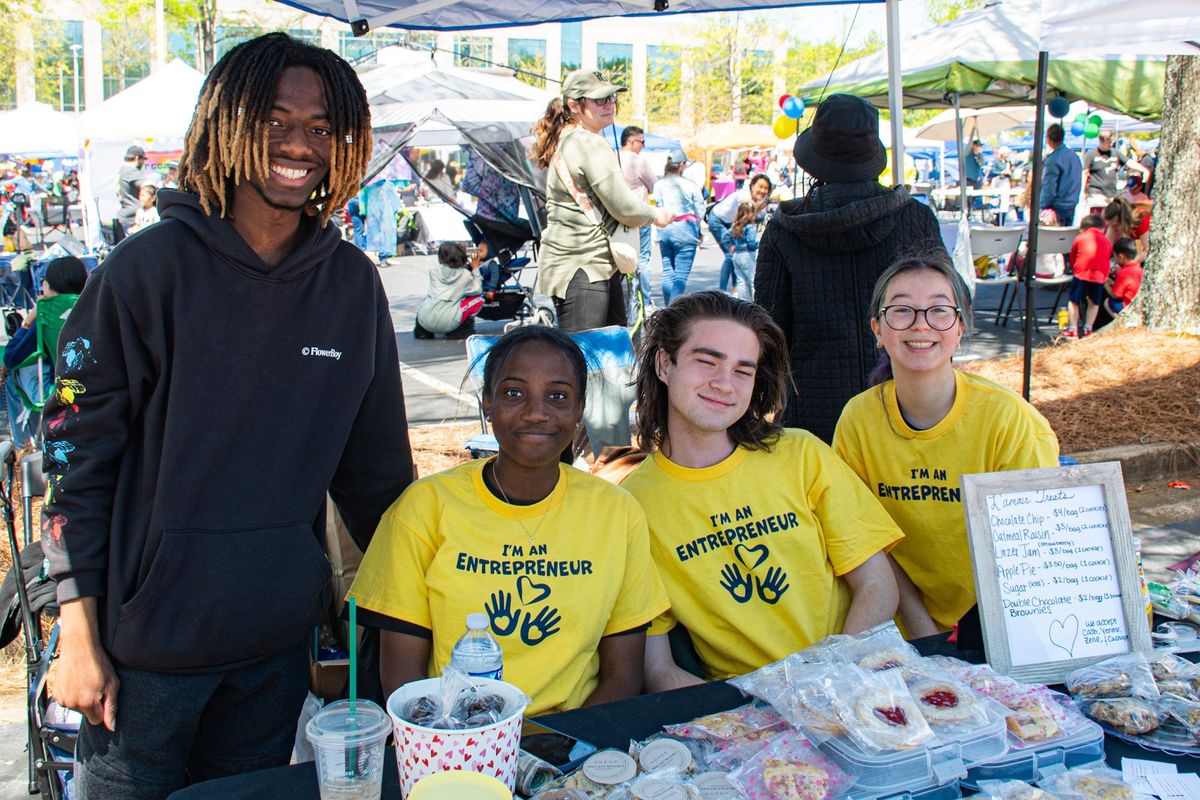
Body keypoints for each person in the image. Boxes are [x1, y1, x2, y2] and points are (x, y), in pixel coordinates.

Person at [43, 33, 415, 800]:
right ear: (225, 124)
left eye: (321, 127)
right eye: (275, 120)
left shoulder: (350, 285)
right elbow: (73, 468)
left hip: (275, 648)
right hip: (140, 658)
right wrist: (75, 632)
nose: (299, 145)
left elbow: (380, 482)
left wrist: (421, 609)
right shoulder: (142, 274)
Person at [349, 326, 668, 715]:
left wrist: (559, 752)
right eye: (513, 393)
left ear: (580, 408)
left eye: (558, 396)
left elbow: (623, 677)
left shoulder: (617, 513)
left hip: (574, 745)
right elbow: (403, 682)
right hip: (453, 739)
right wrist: (474, 747)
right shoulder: (424, 507)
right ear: (487, 402)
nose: (536, 412)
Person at [622, 291, 903, 690]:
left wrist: (835, 674)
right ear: (665, 364)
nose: (724, 383)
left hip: (852, 679)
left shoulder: (801, 454)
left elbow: (878, 585)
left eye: (743, 370)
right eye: (707, 361)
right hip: (747, 714)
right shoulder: (633, 505)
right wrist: (748, 719)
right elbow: (658, 669)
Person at [834, 255, 1059, 642]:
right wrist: (924, 632)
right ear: (877, 329)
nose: (921, 323)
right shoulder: (859, 419)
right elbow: (869, 544)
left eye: (939, 310)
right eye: (901, 310)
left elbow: (1034, 553)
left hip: (1005, 623)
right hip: (900, 624)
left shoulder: (1008, 419)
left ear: (959, 328)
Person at [754, 93, 946, 444]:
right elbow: (942, 314)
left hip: (816, 402)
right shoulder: (915, 219)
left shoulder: (784, 229)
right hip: (905, 395)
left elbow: (769, 325)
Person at [529, 71, 672, 331]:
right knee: (588, 358)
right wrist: (656, 215)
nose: (608, 104)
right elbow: (624, 208)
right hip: (584, 265)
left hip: (580, 265)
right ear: (574, 105)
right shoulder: (586, 142)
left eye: (611, 97)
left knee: (604, 357)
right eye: (598, 99)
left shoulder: (569, 139)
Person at [3, 256, 88, 448]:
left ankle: (23, 445)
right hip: (100, 385)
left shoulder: (46, 312)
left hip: (59, 389)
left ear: (48, 287)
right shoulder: (94, 304)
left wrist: (27, 322)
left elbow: (11, 357)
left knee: (11, 376)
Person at [706, 173, 771, 298]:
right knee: (730, 255)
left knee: (735, 260)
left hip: (733, 224)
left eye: (766, 188)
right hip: (718, 220)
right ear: (752, 186)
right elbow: (748, 209)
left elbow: (756, 214)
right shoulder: (744, 195)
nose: (762, 190)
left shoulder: (759, 201)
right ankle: (724, 290)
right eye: (760, 186)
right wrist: (730, 244)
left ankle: (737, 292)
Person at [654, 155, 706, 305]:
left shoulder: (659, 184)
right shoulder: (690, 185)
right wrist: (698, 229)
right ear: (682, 165)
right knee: (680, 276)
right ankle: (672, 311)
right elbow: (699, 209)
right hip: (685, 229)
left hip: (665, 229)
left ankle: (666, 309)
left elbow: (658, 205)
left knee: (668, 273)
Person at [620, 125, 657, 318]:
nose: (643, 146)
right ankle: (645, 302)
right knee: (642, 261)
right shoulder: (638, 161)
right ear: (632, 142)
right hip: (640, 217)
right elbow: (653, 185)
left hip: (618, 219)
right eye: (642, 142)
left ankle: (629, 303)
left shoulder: (613, 158)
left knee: (623, 262)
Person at [413, 241, 485, 340]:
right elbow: (478, 290)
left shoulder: (433, 270)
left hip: (424, 320)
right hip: (449, 322)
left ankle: (423, 333)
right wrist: (475, 268)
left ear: (440, 258)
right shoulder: (465, 275)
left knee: (428, 300)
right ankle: (461, 331)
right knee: (478, 299)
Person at [1065, 214, 1113, 339]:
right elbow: (1107, 257)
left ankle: (1073, 328)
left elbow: (1073, 255)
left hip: (1082, 272)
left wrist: (1072, 267)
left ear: (1083, 228)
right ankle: (1088, 328)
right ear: (1102, 228)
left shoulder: (1080, 237)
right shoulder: (1107, 240)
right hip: (1100, 274)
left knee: (1073, 301)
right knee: (1094, 302)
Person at [1083, 132, 1149, 214]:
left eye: (1109, 142)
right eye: (1106, 142)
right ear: (1100, 141)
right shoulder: (1091, 155)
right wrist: (1083, 191)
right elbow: (1085, 173)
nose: (1108, 145)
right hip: (1096, 192)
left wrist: (1144, 170)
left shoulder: (1115, 153)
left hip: (1111, 193)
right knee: (1098, 217)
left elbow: (1128, 162)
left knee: (1110, 218)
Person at [1039, 123, 1083, 226]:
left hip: (1057, 207)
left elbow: (1049, 187)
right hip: (1071, 204)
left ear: (1048, 139)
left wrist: (1041, 205)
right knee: (1066, 238)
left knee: (1054, 239)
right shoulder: (1074, 157)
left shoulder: (1053, 159)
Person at [1101, 237, 1142, 322]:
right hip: (1139, 304)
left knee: (1107, 302)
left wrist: (1105, 282)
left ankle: (1121, 321)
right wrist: (1112, 282)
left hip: (1128, 305)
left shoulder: (1123, 273)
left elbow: (1115, 295)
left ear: (1121, 257)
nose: (1115, 260)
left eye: (1115, 257)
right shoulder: (1139, 268)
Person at [727, 202, 759, 303]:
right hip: (747, 255)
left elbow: (725, 236)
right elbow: (751, 244)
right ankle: (756, 302)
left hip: (736, 255)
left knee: (741, 281)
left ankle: (743, 303)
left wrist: (732, 244)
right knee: (752, 281)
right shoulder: (750, 227)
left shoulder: (735, 225)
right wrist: (760, 243)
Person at [115, 145, 147, 235]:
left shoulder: (123, 171)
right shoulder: (130, 171)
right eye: (143, 159)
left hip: (126, 215)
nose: (143, 162)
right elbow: (149, 186)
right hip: (133, 218)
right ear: (137, 158)